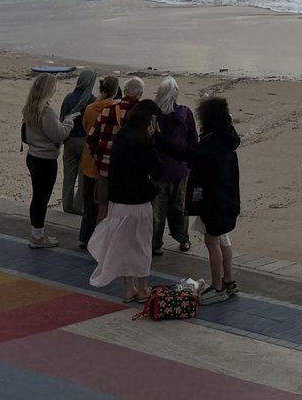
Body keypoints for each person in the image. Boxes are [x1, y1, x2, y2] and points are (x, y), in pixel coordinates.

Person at [161, 95, 241, 303]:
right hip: (228, 198)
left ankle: (217, 287)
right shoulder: (228, 137)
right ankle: (229, 281)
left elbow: (187, 154)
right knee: (222, 238)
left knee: (211, 240)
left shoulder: (211, 142)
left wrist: (159, 141)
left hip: (214, 200)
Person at [88, 100, 162, 302]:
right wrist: (152, 141)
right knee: (141, 246)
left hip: (118, 200)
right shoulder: (142, 139)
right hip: (138, 202)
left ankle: (129, 289)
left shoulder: (122, 134)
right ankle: (143, 288)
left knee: (123, 245)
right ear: (150, 121)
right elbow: (155, 168)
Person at [22, 73, 77, 248]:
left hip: (33, 156)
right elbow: (58, 134)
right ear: (47, 89)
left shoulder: (30, 107)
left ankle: (36, 232)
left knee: (37, 197)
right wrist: (68, 122)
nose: (55, 90)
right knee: (42, 198)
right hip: (45, 159)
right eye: (53, 88)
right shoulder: (45, 111)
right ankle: (38, 237)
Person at [86, 76, 144, 221]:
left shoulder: (108, 110)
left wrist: (98, 158)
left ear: (124, 91)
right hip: (129, 172)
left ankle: (100, 235)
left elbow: (91, 138)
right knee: (124, 213)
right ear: (140, 94)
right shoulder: (143, 115)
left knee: (103, 210)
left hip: (105, 168)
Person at [152, 76, 198, 255]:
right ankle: (183, 238)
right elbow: (193, 138)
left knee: (157, 209)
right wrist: (191, 161)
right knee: (180, 205)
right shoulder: (185, 113)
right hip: (180, 167)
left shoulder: (154, 116)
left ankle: (156, 242)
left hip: (159, 167)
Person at [78, 74, 120, 248]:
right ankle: (99, 239)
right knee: (104, 204)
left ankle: (84, 237)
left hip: (89, 159)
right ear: (115, 91)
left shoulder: (90, 108)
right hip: (105, 162)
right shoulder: (115, 109)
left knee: (88, 201)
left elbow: (86, 127)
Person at [59, 68, 97, 215]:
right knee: (83, 177)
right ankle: (78, 206)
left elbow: (62, 118)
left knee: (68, 176)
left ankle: (67, 205)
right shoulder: (92, 100)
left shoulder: (68, 98)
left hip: (70, 139)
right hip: (84, 142)